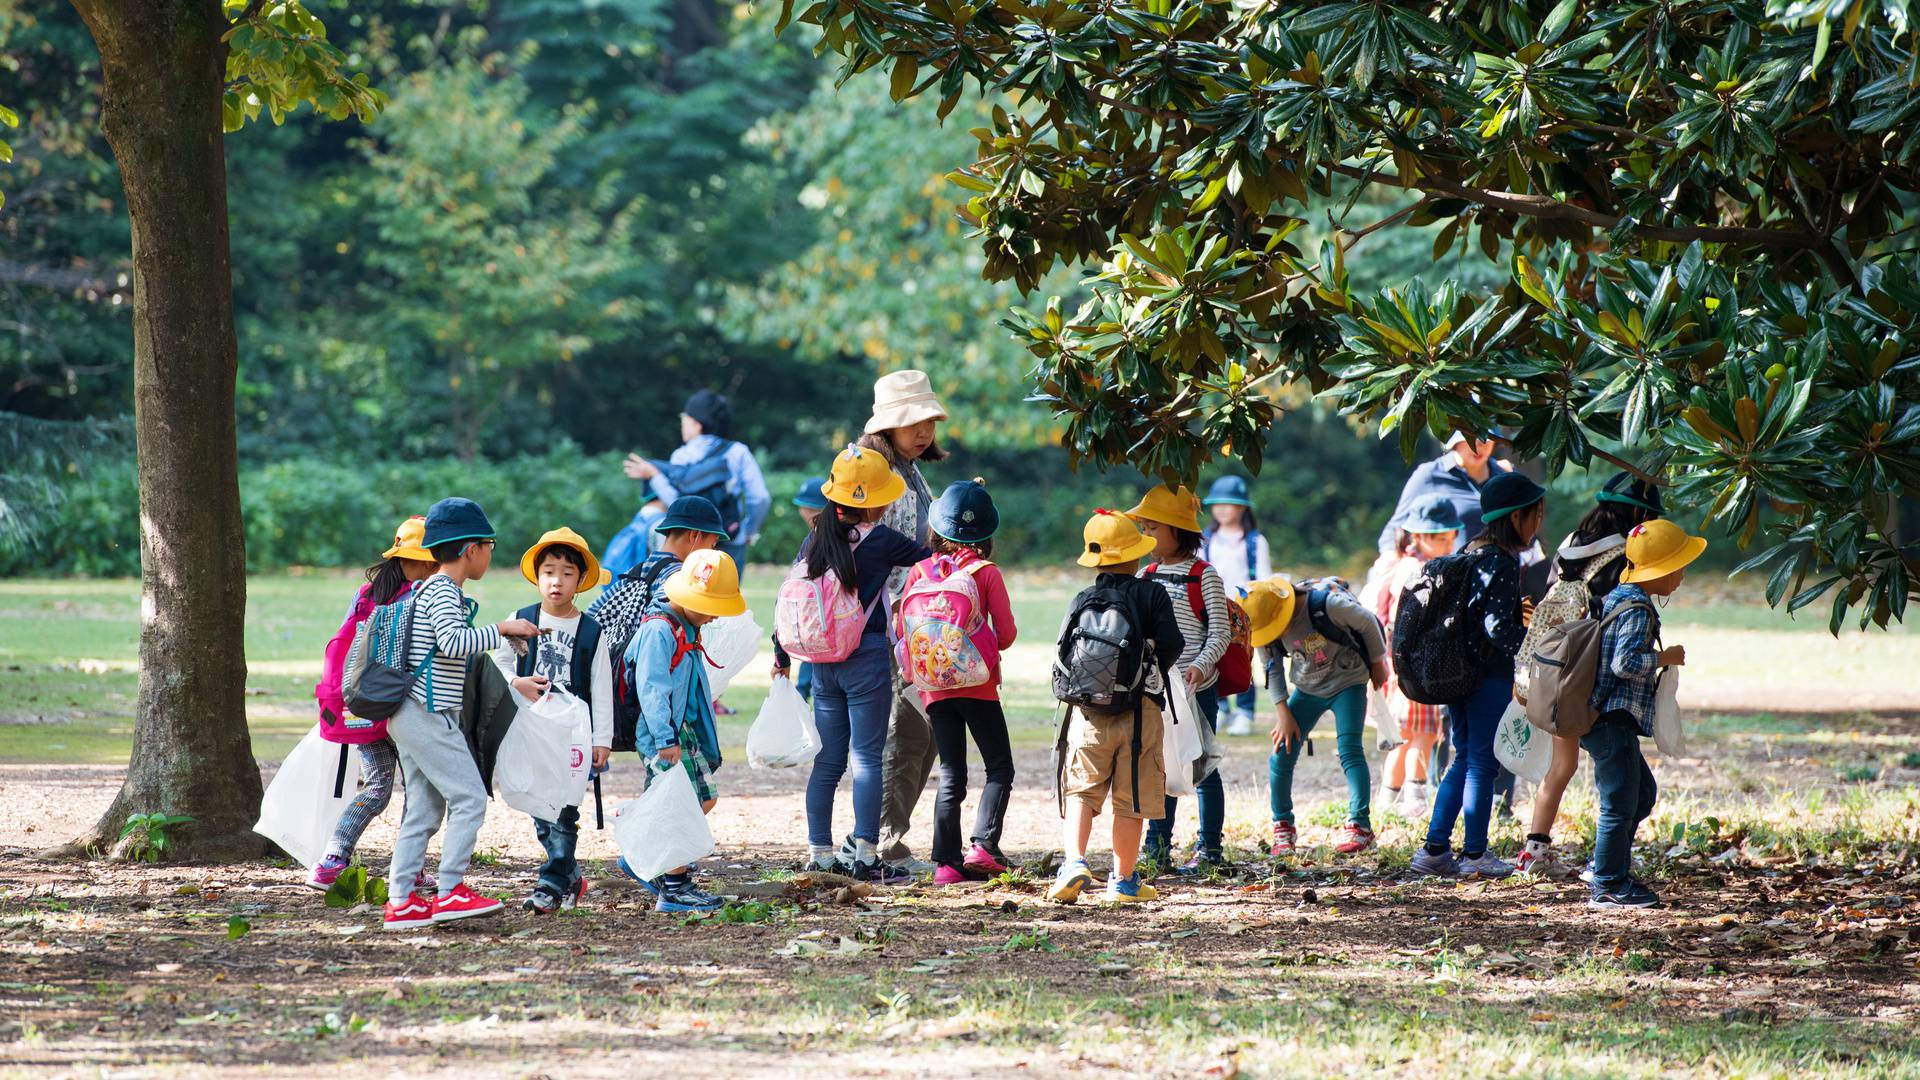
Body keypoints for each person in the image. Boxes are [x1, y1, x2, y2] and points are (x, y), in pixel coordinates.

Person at [773, 445, 930, 882]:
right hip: (865, 659)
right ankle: (864, 854)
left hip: (821, 663)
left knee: (828, 762)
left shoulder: (816, 535)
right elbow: (928, 560)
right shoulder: (880, 539)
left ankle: (819, 852)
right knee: (866, 757)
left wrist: (780, 656)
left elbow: (795, 592)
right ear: (878, 502)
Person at [383, 498, 541, 930]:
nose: (491, 553)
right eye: (489, 544)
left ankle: (402, 901)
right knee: (469, 797)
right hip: (426, 712)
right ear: (471, 548)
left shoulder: (430, 588)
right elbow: (453, 641)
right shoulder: (441, 589)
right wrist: (503, 630)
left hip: (408, 713)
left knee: (424, 808)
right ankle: (451, 891)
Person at [1515, 472, 1666, 875]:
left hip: (1550, 669)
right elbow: (1614, 624)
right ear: (1637, 515)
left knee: (1561, 766)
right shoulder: (1623, 558)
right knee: (1620, 785)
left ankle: (1534, 849)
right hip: (1587, 679)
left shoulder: (1572, 545)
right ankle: (1607, 863)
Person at [1410, 473, 1546, 879]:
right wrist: (1530, 645)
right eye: (1535, 515)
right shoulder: (1502, 561)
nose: (1538, 523)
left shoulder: (1473, 550)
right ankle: (1474, 856)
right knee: (1483, 765)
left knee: (1464, 759)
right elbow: (1497, 629)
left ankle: (1434, 850)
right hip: (1487, 676)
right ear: (1517, 517)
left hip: (1459, 673)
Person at [1046, 510, 1185, 905]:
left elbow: (1063, 654)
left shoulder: (1082, 599)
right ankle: (1123, 881)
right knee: (1133, 798)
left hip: (1088, 713)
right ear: (1135, 557)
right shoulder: (1152, 593)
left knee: (1082, 791)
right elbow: (1172, 643)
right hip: (1140, 712)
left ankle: (1074, 863)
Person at [897, 480, 1018, 884]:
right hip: (979, 685)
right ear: (986, 532)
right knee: (999, 767)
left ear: (937, 529)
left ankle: (947, 864)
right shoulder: (986, 573)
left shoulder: (919, 571)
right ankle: (983, 846)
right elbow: (1007, 634)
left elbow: (903, 628)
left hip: (933, 686)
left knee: (951, 772)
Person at [308, 515, 437, 891]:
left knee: (377, 787)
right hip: (401, 708)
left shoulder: (365, 595)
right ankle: (410, 870)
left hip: (360, 706)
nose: (432, 567)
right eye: (429, 560)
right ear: (416, 561)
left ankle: (331, 860)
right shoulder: (420, 597)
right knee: (418, 789)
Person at [490, 527, 613, 914]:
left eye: (566, 573)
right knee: (540, 807)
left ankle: (551, 882)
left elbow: (601, 686)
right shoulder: (521, 618)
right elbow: (499, 661)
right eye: (548, 571)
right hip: (530, 730)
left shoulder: (591, 631)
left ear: (580, 581)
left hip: (572, 735)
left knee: (564, 810)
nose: (556, 580)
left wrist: (602, 738)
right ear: (537, 576)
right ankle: (570, 874)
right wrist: (517, 682)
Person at [622, 548, 748, 913]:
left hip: (682, 730)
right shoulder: (659, 631)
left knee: (702, 798)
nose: (712, 617)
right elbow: (652, 689)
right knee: (677, 806)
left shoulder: (685, 627)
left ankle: (643, 854)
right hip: (664, 735)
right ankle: (674, 888)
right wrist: (665, 739)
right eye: (710, 607)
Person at [1586, 519, 1703, 908]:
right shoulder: (1636, 608)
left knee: (1642, 795)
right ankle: (1607, 884)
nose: (1682, 576)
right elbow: (1625, 663)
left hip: (1610, 718)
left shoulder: (1619, 595)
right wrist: (1664, 658)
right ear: (1661, 570)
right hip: (1610, 718)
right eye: (1679, 567)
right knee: (1619, 801)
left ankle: (1608, 863)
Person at [863, 370, 951, 874]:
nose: (923, 432)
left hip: (921, 624)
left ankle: (888, 839)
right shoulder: (876, 470)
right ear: (888, 426)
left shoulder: (911, 471)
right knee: (906, 732)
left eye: (929, 422)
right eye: (913, 422)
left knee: (928, 732)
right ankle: (883, 845)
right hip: (891, 627)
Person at [1129, 484, 1231, 871]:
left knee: (1202, 767)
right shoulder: (1146, 574)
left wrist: (1200, 667)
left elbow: (1219, 632)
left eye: (1153, 528)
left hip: (1196, 689)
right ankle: (1157, 847)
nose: (1148, 535)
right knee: (1160, 765)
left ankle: (1210, 849)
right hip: (1157, 689)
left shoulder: (1205, 576)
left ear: (1177, 530)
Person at [1250, 575, 1389, 856]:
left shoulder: (1327, 605)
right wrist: (1283, 712)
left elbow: (1367, 622)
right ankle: (1282, 825)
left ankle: (1360, 826)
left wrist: (1377, 662)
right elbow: (1271, 668)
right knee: (1281, 752)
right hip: (1307, 688)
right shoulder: (1264, 624)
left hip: (1347, 682)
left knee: (1349, 750)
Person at [588, 497, 726, 751]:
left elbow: (594, 614)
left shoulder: (640, 569)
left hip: (633, 694)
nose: (713, 553)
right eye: (712, 544)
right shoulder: (678, 580)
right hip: (663, 712)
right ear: (695, 536)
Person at [1371, 495, 1462, 817]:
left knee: (1405, 736)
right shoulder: (1417, 569)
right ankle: (1415, 801)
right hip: (1415, 664)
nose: (1449, 542)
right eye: (1440, 537)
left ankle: (1386, 801)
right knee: (1423, 734)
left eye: (1452, 535)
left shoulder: (1397, 563)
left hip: (1400, 663)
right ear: (1418, 536)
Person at [623, 390, 771, 569]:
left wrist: (654, 476)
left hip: (692, 543)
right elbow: (760, 497)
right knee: (727, 594)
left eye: (684, 418)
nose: (682, 423)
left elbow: (678, 504)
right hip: (731, 538)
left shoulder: (681, 457)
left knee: (690, 595)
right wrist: (748, 530)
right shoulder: (738, 452)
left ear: (697, 424)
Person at [1201, 476, 1272, 736]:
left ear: (1242, 507)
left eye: (1228, 504)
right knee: (1213, 659)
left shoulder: (1255, 542)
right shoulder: (1205, 540)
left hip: (1244, 612)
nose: (1221, 509)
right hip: (1211, 610)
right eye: (1216, 504)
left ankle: (1244, 711)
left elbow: (1263, 579)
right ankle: (1220, 708)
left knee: (1242, 661)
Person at [1374, 430, 1510, 557]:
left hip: (1503, 574)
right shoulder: (1429, 475)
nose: (1480, 444)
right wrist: (1391, 564)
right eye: (1471, 436)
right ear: (1454, 439)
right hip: (1452, 576)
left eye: (1487, 438)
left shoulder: (1505, 475)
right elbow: (1395, 529)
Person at [790, 475, 830, 702]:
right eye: (803, 508)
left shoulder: (825, 536)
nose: (805, 513)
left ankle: (805, 690)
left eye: (809, 508)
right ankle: (802, 690)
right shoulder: (812, 537)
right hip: (811, 608)